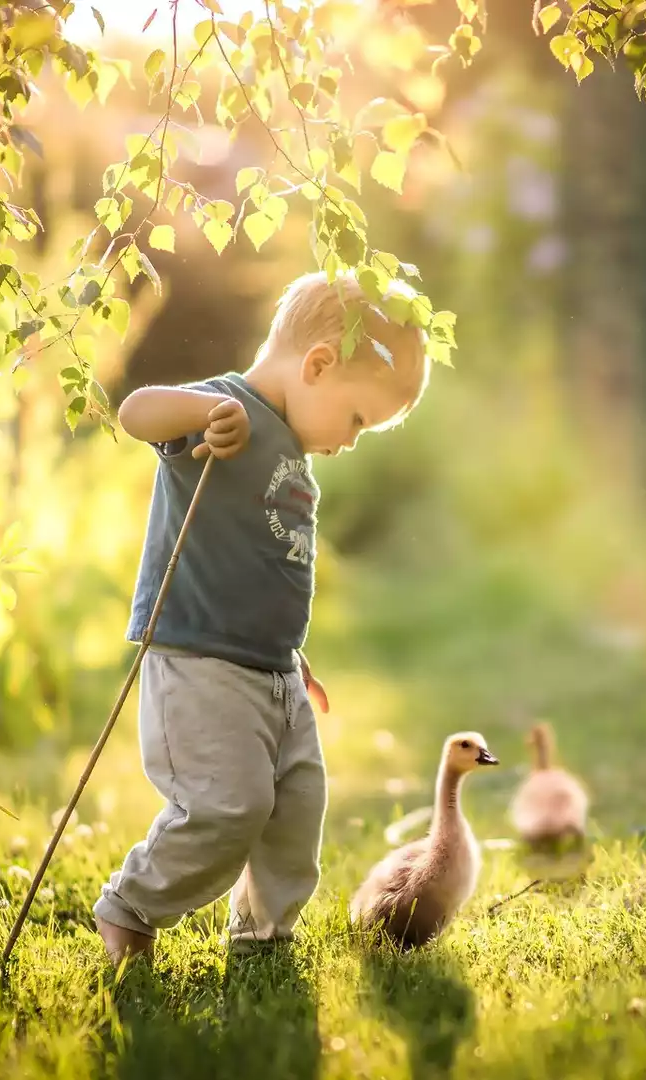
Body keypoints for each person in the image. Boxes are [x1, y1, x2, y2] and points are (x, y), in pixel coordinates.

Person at [91, 270, 431, 964]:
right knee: (229, 806)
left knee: (297, 808)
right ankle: (131, 905)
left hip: (272, 669)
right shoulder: (225, 407)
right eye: (360, 419)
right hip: (200, 660)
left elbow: (268, 563)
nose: (353, 441)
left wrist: (291, 652)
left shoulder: (295, 453)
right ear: (318, 365)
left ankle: (264, 935)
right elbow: (135, 412)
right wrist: (200, 416)